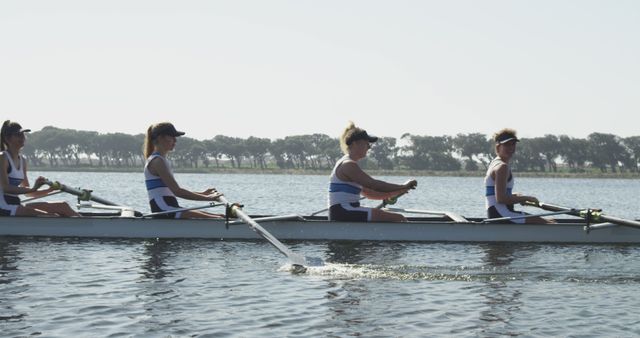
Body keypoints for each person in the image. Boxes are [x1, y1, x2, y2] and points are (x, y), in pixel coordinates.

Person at [328, 122, 417, 222]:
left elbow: (369, 193)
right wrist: (403, 186)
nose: (369, 147)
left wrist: (397, 191)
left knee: (392, 217)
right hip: (344, 211)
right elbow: (373, 184)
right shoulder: (348, 165)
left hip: (344, 212)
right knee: (399, 219)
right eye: (366, 143)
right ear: (355, 143)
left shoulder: (348, 163)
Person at [143, 122, 223, 219]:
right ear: (160, 138)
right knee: (218, 219)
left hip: (169, 208)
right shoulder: (157, 161)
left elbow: (169, 191)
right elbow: (177, 191)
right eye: (172, 137)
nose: (175, 141)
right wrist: (207, 198)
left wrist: (203, 194)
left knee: (220, 216)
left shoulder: (161, 160)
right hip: (163, 210)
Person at [0, 120, 79, 217]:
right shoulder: (2, 157)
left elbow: (29, 193)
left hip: (15, 204)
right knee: (50, 216)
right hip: (3, 207)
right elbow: (6, 188)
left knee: (63, 206)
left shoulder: (23, 160)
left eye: (23, 134)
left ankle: (87, 228)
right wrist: (34, 188)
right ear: (7, 139)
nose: (22, 137)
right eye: (18, 135)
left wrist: (49, 190)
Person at [484, 128, 553, 224]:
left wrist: (513, 196)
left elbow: (494, 194)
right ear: (498, 146)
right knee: (548, 224)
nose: (511, 148)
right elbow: (501, 199)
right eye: (507, 145)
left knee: (548, 221)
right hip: (502, 215)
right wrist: (526, 198)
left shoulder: (495, 162)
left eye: (513, 144)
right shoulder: (502, 167)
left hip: (498, 214)